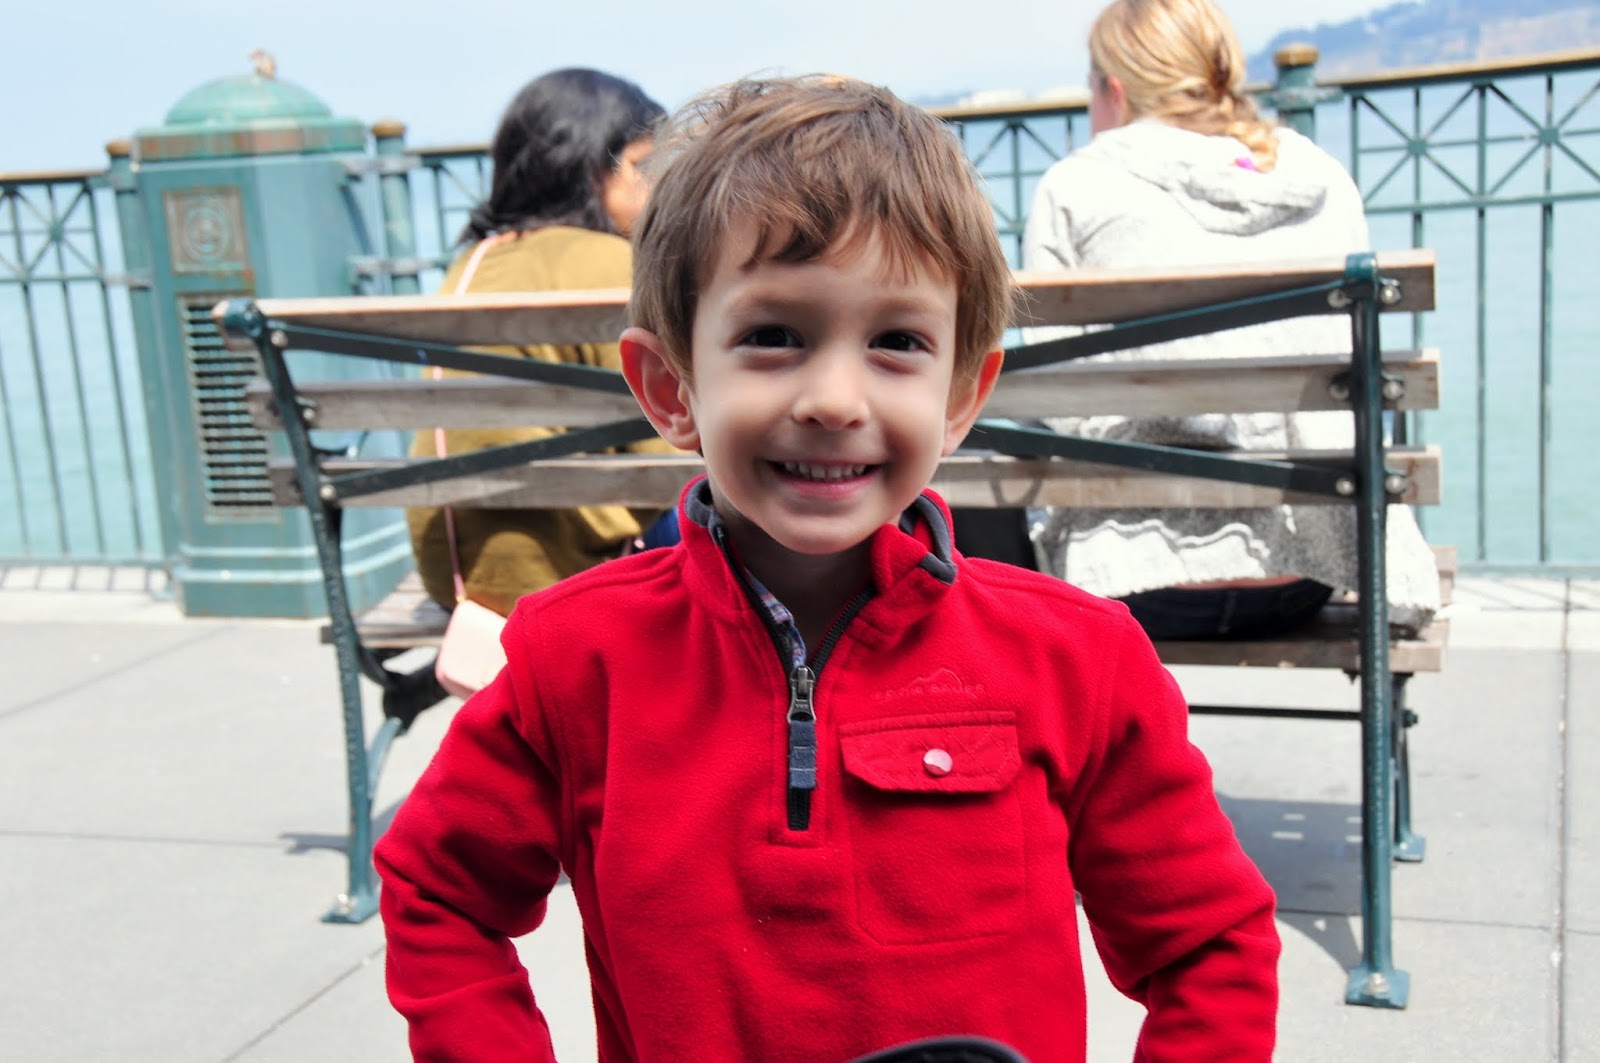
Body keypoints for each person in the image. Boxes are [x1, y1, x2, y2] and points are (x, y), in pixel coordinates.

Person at [376, 74, 1279, 1062]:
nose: (835, 398)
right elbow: (437, 891)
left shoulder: (1078, 660)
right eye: (773, 336)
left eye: (897, 342)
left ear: (961, 394)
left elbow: (1209, 945)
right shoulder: (572, 658)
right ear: (671, 387)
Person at [1022, 0, 1439, 639]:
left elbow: (1058, 403)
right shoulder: (1320, 178)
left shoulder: (1073, 187)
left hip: (1132, 582)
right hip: (1308, 573)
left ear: (1115, 90)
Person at [407, 67, 677, 618]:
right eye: (643, 167)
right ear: (590, 165)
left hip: (456, 577)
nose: (656, 190)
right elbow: (671, 458)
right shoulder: (614, 264)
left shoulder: (470, 266)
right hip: (574, 576)